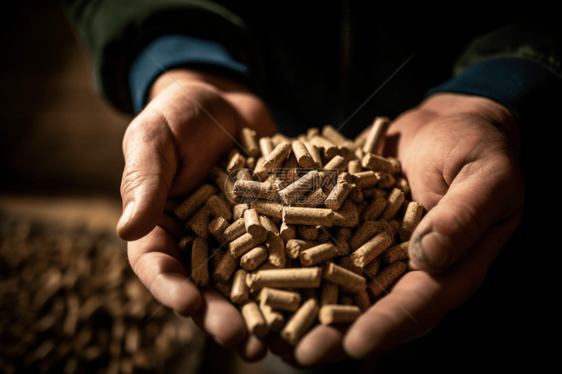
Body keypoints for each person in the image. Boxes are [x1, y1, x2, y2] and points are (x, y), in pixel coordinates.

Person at [63, 0, 560, 369]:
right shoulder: (256, 205)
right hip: (255, 91)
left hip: (469, 182)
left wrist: (497, 89)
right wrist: (177, 57)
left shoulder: (346, 208)